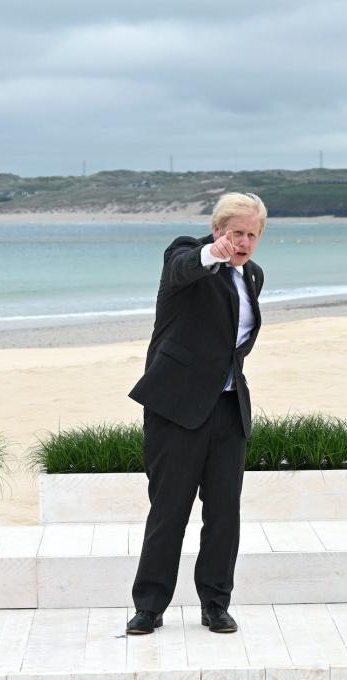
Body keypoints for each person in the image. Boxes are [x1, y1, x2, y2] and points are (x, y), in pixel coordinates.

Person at [126, 192, 266, 634]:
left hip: (227, 407)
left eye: (251, 234)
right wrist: (212, 253)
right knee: (169, 510)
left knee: (224, 512)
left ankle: (215, 603)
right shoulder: (187, 253)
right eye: (235, 232)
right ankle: (149, 606)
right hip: (176, 406)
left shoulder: (253, 276)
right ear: (217, 227)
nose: (242, 241)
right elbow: (182, 269)